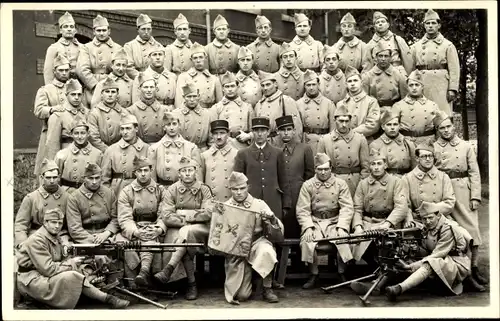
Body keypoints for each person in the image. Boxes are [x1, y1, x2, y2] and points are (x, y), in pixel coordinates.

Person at [16, 208, 130, 309]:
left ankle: (97, 291)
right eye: (53, 222)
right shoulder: (37, 240)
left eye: (60, 223)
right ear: (45, 223)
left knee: (87, 269)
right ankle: (108, 299)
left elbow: (63, 258)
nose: (57, 226)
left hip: (46, 274)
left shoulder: (54, 236)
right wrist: (72, 263)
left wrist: (79, 262)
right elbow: (48, 269)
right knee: (73, 276)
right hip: (33, 281)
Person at [433, 114, 488, 285]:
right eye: (442, 128)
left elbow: (474, 172)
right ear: (438, 130)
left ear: (453, 126)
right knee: (453, 232)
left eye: (448, 126)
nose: (446, 130)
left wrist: (475, 196)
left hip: (464, 191)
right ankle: (460, 271)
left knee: (472, 230)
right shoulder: (434, 147)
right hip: (445, 191)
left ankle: (474, 267)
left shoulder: (465, 146)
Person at [349, 148, 408, 295]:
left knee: (389, 247)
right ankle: (379, 277)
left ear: (385, 165)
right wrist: (357, 226)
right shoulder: (363, 184)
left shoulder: (396, 182)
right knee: (359, 241)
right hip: (368, 221)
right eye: (373, 164)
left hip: (388, 222)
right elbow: (357, 208)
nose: (376, 167)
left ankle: (379, 282)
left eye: (379, 164)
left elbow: (401, 207)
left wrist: (388, 223)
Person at [385, 201, 472, 300]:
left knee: (429, 263)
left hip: (456, 263)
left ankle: (399, 289)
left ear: (438, 215)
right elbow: (427, 250)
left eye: (430, 218)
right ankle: (379, 286)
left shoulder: (447, 228)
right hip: (442, 260)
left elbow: (438, 254)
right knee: (404, 256)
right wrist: (414, 249)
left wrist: (411, 266)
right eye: (424, 219)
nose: (427, 221)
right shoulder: (428, 227)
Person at [154, 157, 214, 300]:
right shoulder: (172, 190)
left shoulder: (204, 189)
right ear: (179, 174)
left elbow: (209, 213)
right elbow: (167, 215)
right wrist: (189, 220)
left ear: (195, 172)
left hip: (202, 230)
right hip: (180, 228)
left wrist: (184, 215)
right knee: (183, 239)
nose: (187, 174)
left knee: (185, 234)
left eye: (190, 170)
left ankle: (169, 269)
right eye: (184, 171)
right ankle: (191, 284)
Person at [220, 171, 284, 304]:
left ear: (248, 187)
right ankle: (251, 274)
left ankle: (267, 287)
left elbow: (277, 233)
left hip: (256, 242)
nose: (239, 192)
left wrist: (271, 220)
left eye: (242, 188)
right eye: (235, 189)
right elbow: (221, 236)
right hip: (237, 248)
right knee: (241, 295)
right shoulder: (226, 207)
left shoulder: (259, 204)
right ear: (230, 189)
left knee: (266, 251)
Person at [296, 153, 355, 288]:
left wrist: (342, 226)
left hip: (334, 221)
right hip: (315, 221)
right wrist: (308, 227)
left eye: (326, 169)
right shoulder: (308, 185)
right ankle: (314, 274)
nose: (323, 172)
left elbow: (347, 208)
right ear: (315, 169)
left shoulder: (340, 184)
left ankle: (341, 273)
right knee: (307, 240)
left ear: (331, 169)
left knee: (343, 239)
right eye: (319, 169)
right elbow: (302, 209)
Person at [116, 156, 168, 288]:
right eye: (140, 171)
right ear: (135, 173)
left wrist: (158, 228)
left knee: (151, 239)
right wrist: (135, 232)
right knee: (128, 248)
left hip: (153, 226)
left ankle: (146, 275)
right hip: (134, 227)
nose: (143, 174)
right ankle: (136, 282)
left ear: (151, 170)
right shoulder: (126, 192)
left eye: (146, 170)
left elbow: (165, 213)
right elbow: (124, 217)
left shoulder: (160, 190)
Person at [233, 117, 287, 222]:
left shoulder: (278, 153)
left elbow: (284, 181)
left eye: (263, 130)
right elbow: (237, 183)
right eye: (256, 130)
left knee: (274, 232)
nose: (260, 134)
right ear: (252, 132)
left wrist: (285, 205)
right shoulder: (243, 154)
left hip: (273, 201)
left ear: (268, 132)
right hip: (250, 202)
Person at [410, 9, 460, 115]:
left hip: (441, 85)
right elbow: (411, 70)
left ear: (439, 25)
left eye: (433, 23)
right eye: (427, 23)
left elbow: (454, 69)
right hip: (422, 84)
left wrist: (452, 89)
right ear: (424, 26)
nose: (430, 26)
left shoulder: (448, 45)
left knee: (442, 117)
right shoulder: (415, 47)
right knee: (423, 115)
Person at [273, 115, 314, 238]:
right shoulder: (273, 150)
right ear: (278, 132)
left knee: (299, 233)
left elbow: (310, 174)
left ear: (294, 131)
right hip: (279, 198)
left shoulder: (304, 149)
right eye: (282, 130)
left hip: (299, 197)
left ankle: (299, 257)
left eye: (289, 129)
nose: (286, 133)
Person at [14, 159, 70, 248]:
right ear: (41, 177)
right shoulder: (31, 198)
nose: (52, 181)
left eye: (54, 177)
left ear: (59, 177)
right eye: (48, 177)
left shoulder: (67, 197)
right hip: (37, 235)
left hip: (60, 236)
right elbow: (21, 224)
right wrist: (22, 241)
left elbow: (72, 224)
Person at [317, 105, 370, 196]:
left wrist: (361, 184)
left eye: (347, 121)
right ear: (335, 120)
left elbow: (366, 167)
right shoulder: (325, 140)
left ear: (350, 121)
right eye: (341, 121)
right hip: (332, 181)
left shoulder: (360, 139)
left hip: (354, 182)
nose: (344, 124)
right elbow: (318, 166)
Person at [33, 53, 70, 177]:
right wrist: (52, 109)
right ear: (54, 71)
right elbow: (38, 110)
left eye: (66, 70)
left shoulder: (75, 89)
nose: (64, 73)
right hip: (50, 134)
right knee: (48, 167)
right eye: (61, 70)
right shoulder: (46, 89)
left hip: (69, 136)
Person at [66, 162, 119, 244]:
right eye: (90, 178)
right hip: (85, 237)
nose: (94, 182)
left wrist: (106, 234)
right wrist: (94, 240)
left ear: (101, 177)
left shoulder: (109, 193)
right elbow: (75, 228)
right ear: (84, 178)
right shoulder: (74, 197)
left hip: (107, 235)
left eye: (97, 178)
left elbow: (115, 218)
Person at [76, 15, 122, 108]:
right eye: (98, 30)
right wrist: (95, 86)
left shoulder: (118, 48)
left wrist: (110, 87)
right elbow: (82, 69)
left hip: (112, 89)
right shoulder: (86, 48)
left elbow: (121, 69)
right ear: (93, 31)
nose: (101, 33)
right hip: (92, 89)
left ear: (109, 31)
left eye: (104, 30)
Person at [148, 110, 203, 188]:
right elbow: (151, 176)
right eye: (168, 124)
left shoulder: (191, 147)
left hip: (186, 189)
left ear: (179, 125)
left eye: (174, 124)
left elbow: (198, 174)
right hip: (164, 189)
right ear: (164, 127)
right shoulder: (154, 149)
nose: (171, 128)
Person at [101, 113, 149, 196]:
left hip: (141, 189)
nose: (125, 132)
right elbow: (104, 178)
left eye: (128, 128)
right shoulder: (111, 150)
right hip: (118, 189)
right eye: (122, 129)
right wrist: (108, 195)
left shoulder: (147, 148)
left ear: (136, 129)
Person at [392, 70, 441, 146]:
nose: (414, 88)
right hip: (406, 143)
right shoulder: (398, 105)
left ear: (422, 87)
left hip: (428, 143)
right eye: (411, 85)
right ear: (407, 87)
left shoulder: (433, 105)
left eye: (417, 85)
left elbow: (440, 127)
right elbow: (392, 128)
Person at [54, 118, 103, 193]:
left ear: (88, 133)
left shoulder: (97, 154)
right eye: (76, 133)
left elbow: (102, 178)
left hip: (89, 193)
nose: (80, 137)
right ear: (71, 134)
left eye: (83, 133)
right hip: (67, 193)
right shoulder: (62, 154)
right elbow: (56, 178)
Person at [254, 71, 303, 145]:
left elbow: (296, 128)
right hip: (264, 145)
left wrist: (293, 148)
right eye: (263, 85)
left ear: (275, 84)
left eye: (268, 84)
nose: (265, 88)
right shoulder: (259, 104)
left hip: (281, 144)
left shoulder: (285, 100)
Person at [45, 79, 88, 161]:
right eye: (73, 94)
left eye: (79, 95)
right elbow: (52, 145)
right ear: (66, 95)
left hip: (85, 156)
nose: (76, 98)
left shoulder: (87, 113)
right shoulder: (58, 115)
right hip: (66, 156)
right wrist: (54, 166)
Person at [212, 70, 255, 150]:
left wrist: (248, 136)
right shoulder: (216, 108)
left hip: (243, 146)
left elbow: (254, 130)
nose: (230, 89)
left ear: (237, 87)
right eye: (227, 87)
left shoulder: (247, 107)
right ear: (223, 89)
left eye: (232, 86)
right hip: (224, 146)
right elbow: (211, 134)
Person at [361, 41, 408, 115]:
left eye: (386, 56)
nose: (383, 59)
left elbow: (404, 97)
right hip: (374, 110)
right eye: (380, 56)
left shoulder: (398, 74)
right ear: (376, 58)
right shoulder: (368, 76)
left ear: (390, 58)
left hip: (394, 110)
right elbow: (364, 99)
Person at [336, 66, 380, 142]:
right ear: (346, 84)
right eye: (349, 81)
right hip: (344, 141)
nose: (352, 84)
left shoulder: (371, 101)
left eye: (355, 80)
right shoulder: (340, 104)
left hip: (365, 141)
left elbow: (373, 125)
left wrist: (351, 133)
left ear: (361, 82)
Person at [296, 69, 336, 155]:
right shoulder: (298, 104)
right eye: (308, 85)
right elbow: (297, 128)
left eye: (313, 84)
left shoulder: (328, 103)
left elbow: (333, 127)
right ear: (304, 86)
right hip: (305, 141)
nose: (311, 88)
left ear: (318, 85)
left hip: (323, 140)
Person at [363, 11, 413, 76]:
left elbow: (407, 60)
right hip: (379, 75)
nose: (380, 24)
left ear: (388, 25)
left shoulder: (397, 39)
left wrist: (409, 76)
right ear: (374, 27)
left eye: (383, 22)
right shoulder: (370, 44)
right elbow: (368, 65)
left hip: (397, 73)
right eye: (377, 22)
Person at [127, 71, 172, 144]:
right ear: (139, 89)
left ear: (156, 89)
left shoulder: (165, 110)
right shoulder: (131, 111)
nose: (149, 90)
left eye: (151, 87)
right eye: (145, 87)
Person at [175, 42, 223, 109]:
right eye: (195, 58)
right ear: (191, 60)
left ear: (205, 58)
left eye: (201, 57)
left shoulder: (214, 79)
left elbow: (220, 103)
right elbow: (179, 101)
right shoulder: (184, 77)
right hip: (191, 113)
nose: (198, 60)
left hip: (209, 113)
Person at [369, 110, 416, 177]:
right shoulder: (375, 145)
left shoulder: (408, 143)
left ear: (399, 126)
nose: (392, 127)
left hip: (406, 179)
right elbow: (374, 169)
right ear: (383, 127)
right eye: (389, 124)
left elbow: (415, 167)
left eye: (395, 124)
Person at [200, 120, 239, 202]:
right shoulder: (205, 155)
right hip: (210, 202)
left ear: (228, 134)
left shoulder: (236, 154)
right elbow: (201, 183)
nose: (218, 137)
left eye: (222, 133)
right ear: (211, 135)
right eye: (215, 133)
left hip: (230, 202)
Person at [88, 77, 129, 152]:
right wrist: (107, 150)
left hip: (121, 150)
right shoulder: (95, 113)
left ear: (117, 95)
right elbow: (93, 137)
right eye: (107, 91)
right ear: (101, 94)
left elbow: (129, 134)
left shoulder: (124, 112)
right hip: (101, 151)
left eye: (113, 92)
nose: (110, 95)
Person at [43, 12, 81, 85]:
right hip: (61, 87)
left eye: (71, 26)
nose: (69, 29)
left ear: (75, 30)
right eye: (66, 26)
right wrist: (51, 91)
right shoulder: (53, 48)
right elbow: (48, 73)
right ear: (60, 30)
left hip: (79, 88)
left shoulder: (82, 47)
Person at [123, 14, 164, 79]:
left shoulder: (158, 46)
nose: (146, 32)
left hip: (155, 80)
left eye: (149, 29)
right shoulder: (129, 46)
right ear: (138, 30)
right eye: (143, 29)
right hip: (136, 80)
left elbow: (163, 66)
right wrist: (143, 78)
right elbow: (128, 68)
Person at [177, 82, 215, 151]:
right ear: (183, 97)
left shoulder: (207, 114)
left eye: (194, 96)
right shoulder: (176, 114)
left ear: (198, 96)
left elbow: (212, 140)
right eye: (189, 96)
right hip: (182, 151)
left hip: (202, 151)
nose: (192, 100)